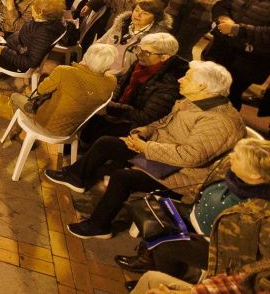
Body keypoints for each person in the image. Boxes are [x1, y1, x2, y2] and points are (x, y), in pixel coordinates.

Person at [45, 61, 246, 240]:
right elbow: (164, 122)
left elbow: (190, 157)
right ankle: (75, 177)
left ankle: (99, 226)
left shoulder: (219, 122)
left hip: (182, 175)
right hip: (160, 152)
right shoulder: (195, 101)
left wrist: (146, 147)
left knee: (122, 178)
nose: (180, 79)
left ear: (202, 87)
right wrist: (143, 132)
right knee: (107, 143)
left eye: (187, 78)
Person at [118, 138, 270, 287]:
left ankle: (163, 283)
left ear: (255, 175)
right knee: (150, 209)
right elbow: (200, 191)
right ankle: (149, 263)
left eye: (237, 157)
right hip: (193, 213)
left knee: (165, 244)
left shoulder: (261, 211)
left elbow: (251, 258)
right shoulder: (229, 171)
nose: (231, 156)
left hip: (214, 245)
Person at [80, 32, 187, 145]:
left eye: (147, 53)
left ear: (164, 57)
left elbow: (147, 117)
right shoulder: (142, 63)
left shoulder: (170, 81)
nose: (139, 54)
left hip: (137, 126)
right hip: (121, 112)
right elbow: (122, 84)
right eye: (139, 49)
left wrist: (109, 108)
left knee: (100, 136)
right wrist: (108, 102)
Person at [9, 43, 118, 137]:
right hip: (71, 131)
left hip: (45, 124)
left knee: (14, 97)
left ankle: (18, 129)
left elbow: (41, 90)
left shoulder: (65, 71)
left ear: (87, 56)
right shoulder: (111, 82)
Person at [208, 0, 270, 112]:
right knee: (206, 88)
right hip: (221, 48)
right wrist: (224, 19)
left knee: (229, 96)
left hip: (249, 61)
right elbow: (222, 5)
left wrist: (236, 29)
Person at [98, 0, 171, 75]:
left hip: (121, 78)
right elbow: (99, 43)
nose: (138, 15)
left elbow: (145, 70)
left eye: (145, 13)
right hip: (100, 67)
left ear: (155, 18)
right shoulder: (121, 24)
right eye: (136, 10)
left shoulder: (156, 39)